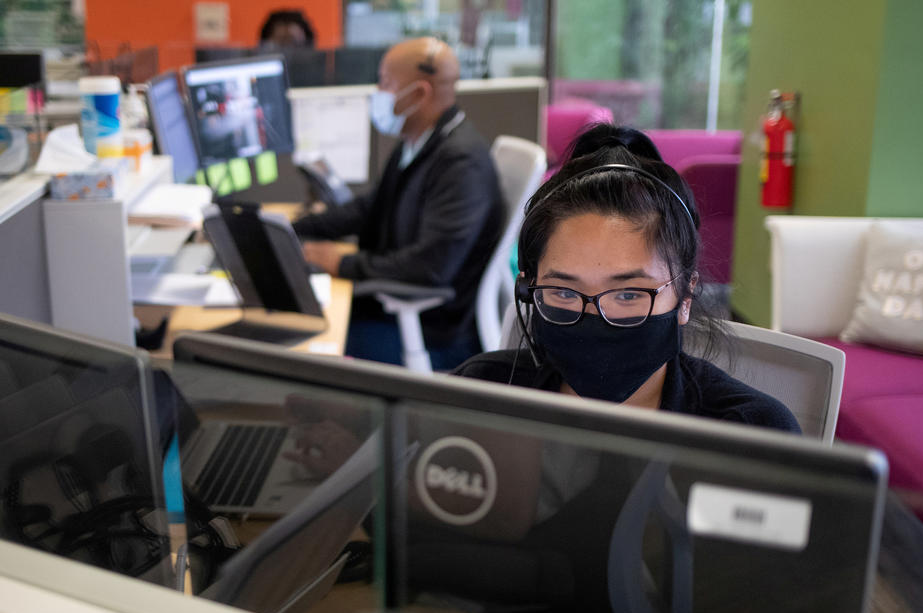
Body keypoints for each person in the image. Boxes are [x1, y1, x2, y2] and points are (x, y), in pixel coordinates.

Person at [455, 123, 800, 433]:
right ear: (530, 289)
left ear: (685, 297)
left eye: (628, 295)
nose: (594, 319)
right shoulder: (477, 397)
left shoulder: (753, 435)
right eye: (563, 292)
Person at [292, 37, 504, 371]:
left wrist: (341, 263)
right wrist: (292, 229)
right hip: (393, 309)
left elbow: (431, 266)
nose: (378, 92)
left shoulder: (461, 164)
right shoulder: (418, 142)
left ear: (419, 93)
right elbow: (369, 209)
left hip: (430, 333)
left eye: (385, 83)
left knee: (302, 341)